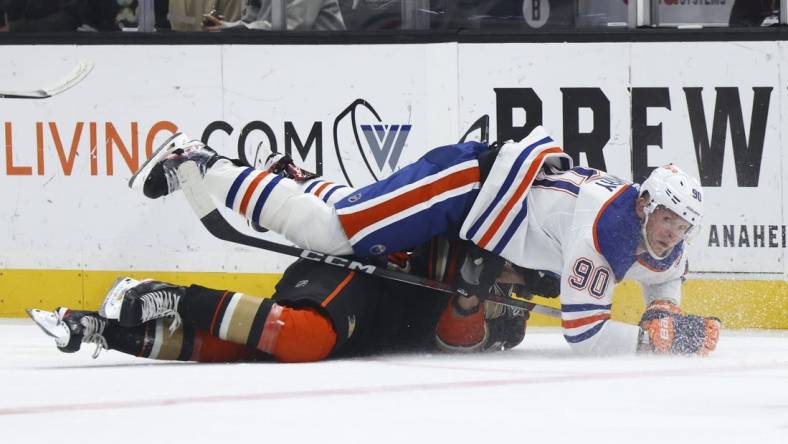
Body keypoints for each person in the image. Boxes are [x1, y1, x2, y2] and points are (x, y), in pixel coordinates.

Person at [129, 126, 721, 357]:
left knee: (350, 218)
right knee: (335, 232)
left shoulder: (661, 240)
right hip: (465, 187)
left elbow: (663, 283)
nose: (670, 232)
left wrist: (668, 315)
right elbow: (585, 337)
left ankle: (298, 181)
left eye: (679, 225)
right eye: (664, 216)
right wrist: (658, 341)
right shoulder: (603, 230)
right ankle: (201, 161)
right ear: (644, 202)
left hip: (477, 207)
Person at [28, 151, 541, 362]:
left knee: (255, 348)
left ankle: (100, 330)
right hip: (357, 272)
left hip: (372, 318)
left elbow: (455, 343)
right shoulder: (490, 215)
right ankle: (178, 297)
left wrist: (472, 302)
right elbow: (380, 208)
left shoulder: (516, 306)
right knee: (300, 336)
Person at [202, 0, 345, 31]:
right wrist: (224, 27)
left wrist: (235, 28)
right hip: (284, 59)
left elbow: (288, 28)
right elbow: (252, 20)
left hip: (324, 60)